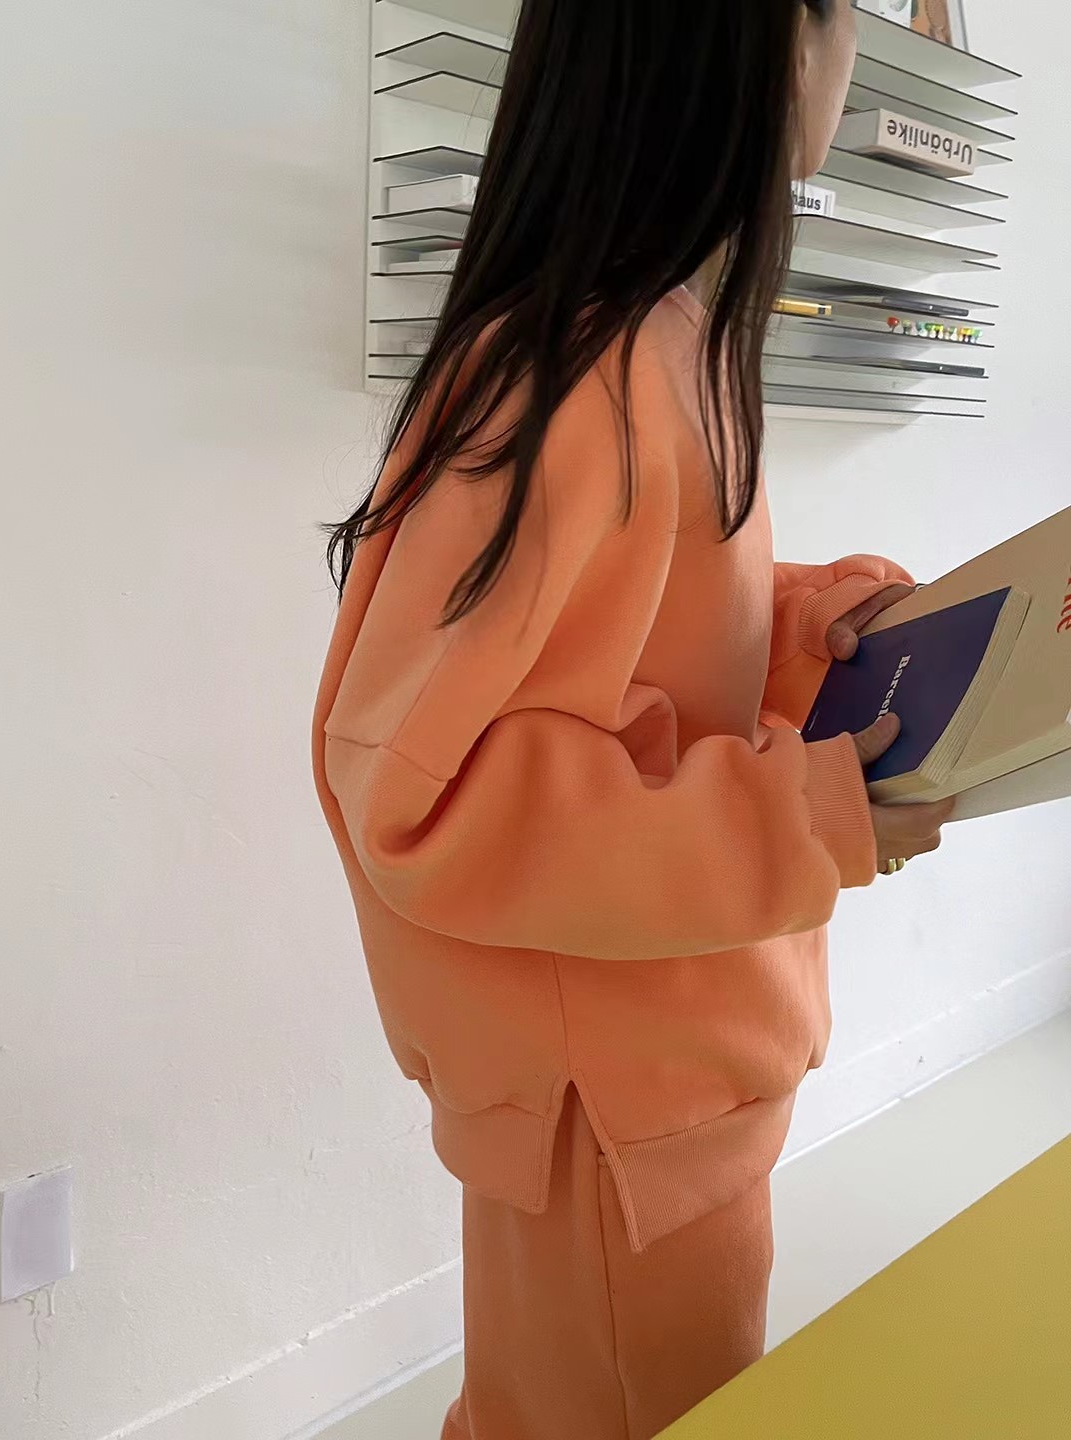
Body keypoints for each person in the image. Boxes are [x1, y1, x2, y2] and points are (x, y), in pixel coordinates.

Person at [313, 2, 951, 1436]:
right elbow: (429, 793)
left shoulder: (648, 344)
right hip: (615, 1108)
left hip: (651, 1078)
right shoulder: (587, 378)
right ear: (768, 44)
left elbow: (639, 640)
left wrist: (816, 627)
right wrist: (802, 815)